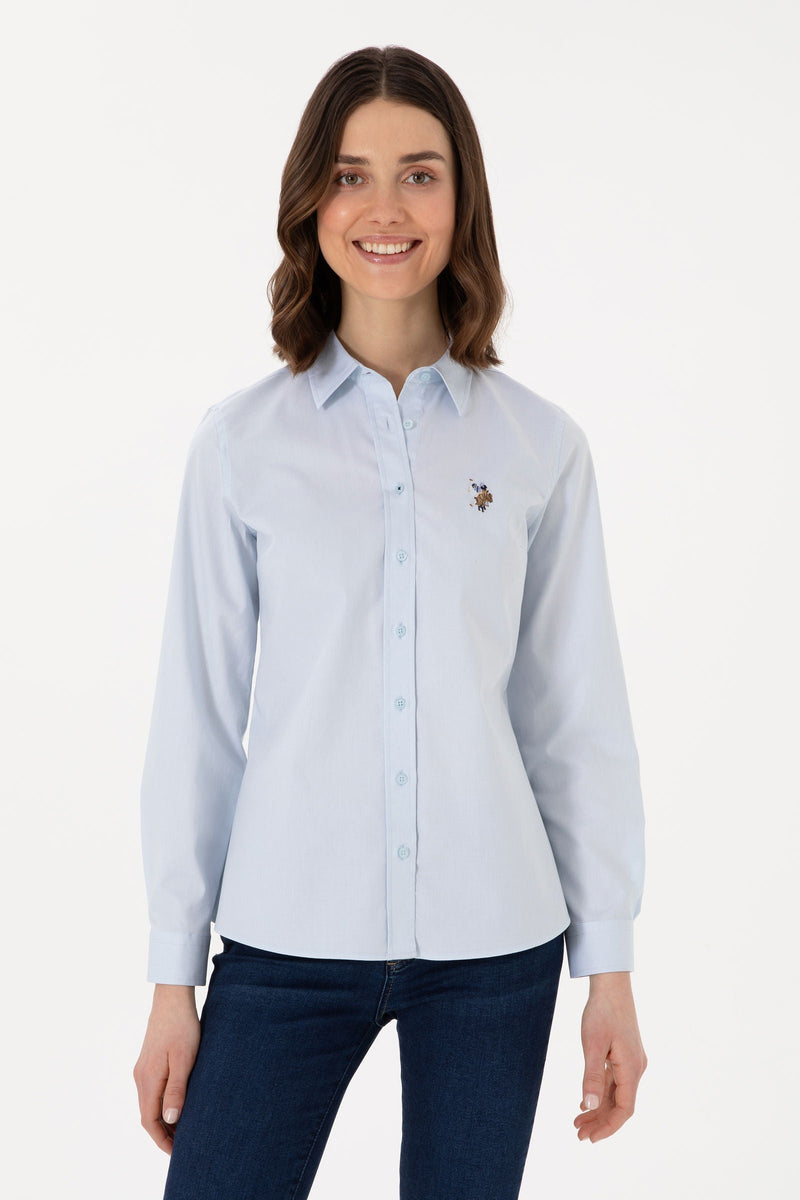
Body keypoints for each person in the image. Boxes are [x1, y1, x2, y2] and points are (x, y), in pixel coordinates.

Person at [133, 44, 647, 1200]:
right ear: (309, 201)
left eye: (419, 173)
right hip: (283, 939)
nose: (384, 209)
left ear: (461, 200)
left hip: (495, 951)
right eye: (349, 175)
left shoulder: (537, 447)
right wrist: (173, 975)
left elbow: (573, 718)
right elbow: (196, 722)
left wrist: (606, 968)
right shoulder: (241, 445)